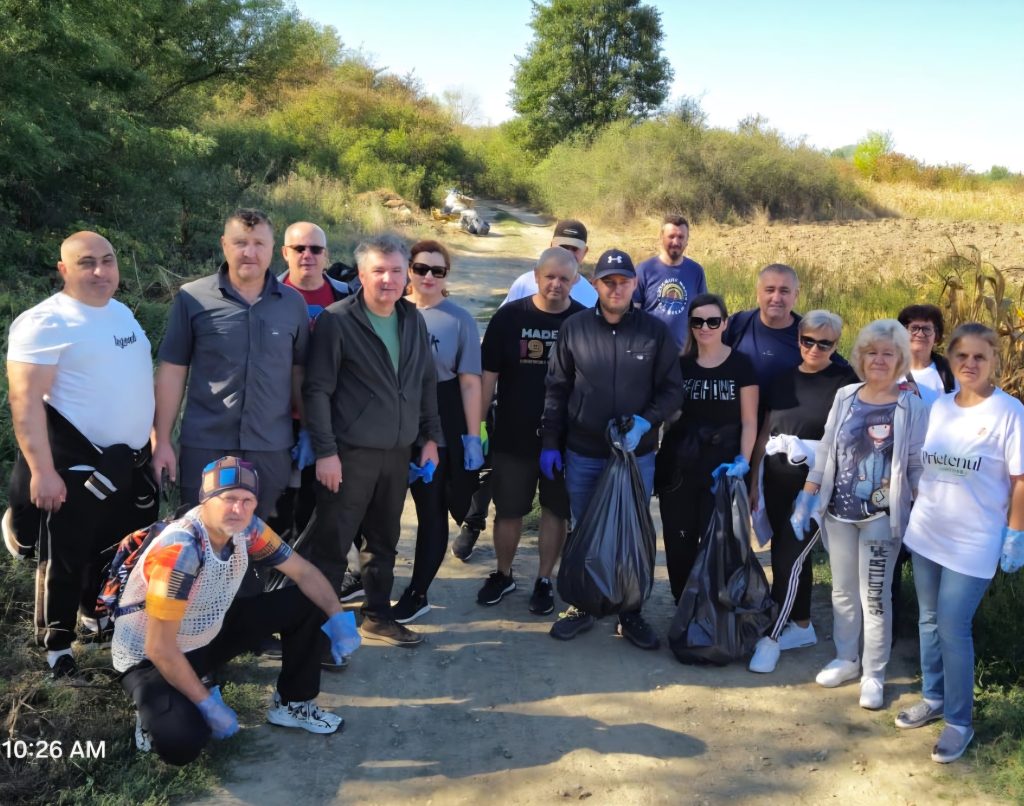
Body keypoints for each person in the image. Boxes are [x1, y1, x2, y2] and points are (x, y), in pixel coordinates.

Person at [113, 457, 351, 765]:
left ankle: (293, 704)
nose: (238, 509)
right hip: (150, 657)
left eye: (247, 500)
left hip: (204, 630)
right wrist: (207, 704)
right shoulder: (181, 550)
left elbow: (303, 573)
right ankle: (155, 713)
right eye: (228, 499)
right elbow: (159, 648)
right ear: (205, 500)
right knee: (182, 740)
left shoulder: (248, 528)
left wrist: (337, 617)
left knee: (309, 601)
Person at [5, 231, 157, 679]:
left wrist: (154, 440)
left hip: (125, 461)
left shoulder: (122, 313)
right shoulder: (45, 322)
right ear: (63, 269)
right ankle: (57, 646)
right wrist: (41, 471)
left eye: (108, 260)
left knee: (112, 547)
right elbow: (24, 401)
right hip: (73, 461)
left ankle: (96, 615)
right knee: (67, 556)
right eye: (87, 262)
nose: (100, 271)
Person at [303, 233, 442, 648]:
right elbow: (317, 390)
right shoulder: (337, 321)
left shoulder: (412, 318)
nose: (388, 279)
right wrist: (326, 452)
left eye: (396, 271)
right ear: (361, 275)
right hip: (349, 454)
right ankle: (315, 631)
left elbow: (425, 381)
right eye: (378, 270)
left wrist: (430, 437)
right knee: (332, 544)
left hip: (396, 454)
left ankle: (378, 616)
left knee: (383, 541)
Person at [541, 249, 683, 648]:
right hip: (584, 451)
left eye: (623, 281)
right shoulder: (574, 328)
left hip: (636, 455)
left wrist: (645, 422)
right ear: (595, 284)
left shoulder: (654, 332)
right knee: (585, 528)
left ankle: (629, 610)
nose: (616, 288)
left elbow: (672, 391)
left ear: (634, 284)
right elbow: (556, 388)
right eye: (608, 281)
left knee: (631, 531)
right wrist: (550, 442)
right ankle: (583, 604)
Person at [896, 323, 1024, 763]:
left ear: (994, 361)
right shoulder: (942, 406)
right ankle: (933, 697)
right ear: (950, 359)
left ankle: (959, 721)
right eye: (962, 356)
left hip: (974, 539)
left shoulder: (1009, 411)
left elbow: (1020, 480)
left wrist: (1016, 533)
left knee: (953, 626)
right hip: (929, 531)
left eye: (979, 357)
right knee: (928, 620)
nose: (970, 364)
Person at [795, 320, 929, 710]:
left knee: (875, 597)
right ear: (860, 356)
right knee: (842, 590)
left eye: (888, 353)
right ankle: (846, 658)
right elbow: (826, 449)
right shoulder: (846, 396)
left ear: (900, 359)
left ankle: (873, 673)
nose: (879, 360)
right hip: (839, 513)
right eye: (872, 352)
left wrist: (921, 508)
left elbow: (917, 463)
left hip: (881, 518)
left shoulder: (911, 405)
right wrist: (807, 495)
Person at [152, 209, 309, 518]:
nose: (250, 252)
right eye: (240, 243)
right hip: (205, 446)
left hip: (270, 448)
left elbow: (299, 373)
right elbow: (172, 371)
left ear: (273, 248)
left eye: (259, 243)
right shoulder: (192, 298)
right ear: (224, 244)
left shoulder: (293, 304)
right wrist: (162, 440)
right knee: (198, 535)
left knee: (260, 540)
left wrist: (309, 431)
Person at [747, 310, 858, 674]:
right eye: (808, 340)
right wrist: (753, 480)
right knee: (784, 552)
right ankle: (802, 625)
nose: (814, 348)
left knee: (788, 561)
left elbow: (847, 440)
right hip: (774, 479)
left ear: (836, 345)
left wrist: (820, 486)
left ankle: (771, 637)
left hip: (815, 484)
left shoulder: (846, 384)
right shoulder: (782, 379)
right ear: (798, 339)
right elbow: (765, 431)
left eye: (824, 344)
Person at [476, 247, 584, 615]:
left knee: (556, 511)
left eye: (564, 278)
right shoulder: (509, 318)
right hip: (513, 434)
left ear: (575, 281)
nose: (556, 284)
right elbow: (487, 378)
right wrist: (477, 429)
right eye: (549, 276)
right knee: (508, 510)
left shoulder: (582, 322)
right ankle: (503, 573)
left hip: (564, 440)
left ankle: (544, 580)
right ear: (536, 277)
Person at [392, 240, 484, 623]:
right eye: (420, 268)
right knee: (381, 510)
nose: (428, 276)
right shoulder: (389, 310)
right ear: (408, 270)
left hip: (441, 422)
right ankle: (368, 579)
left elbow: (469, 383)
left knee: (431, 510)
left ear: (446, 275)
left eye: (437, 270)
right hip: (390, 422)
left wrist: (472, 436)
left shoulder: (459, 320)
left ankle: (418, 592)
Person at [655, 293, 757, 602]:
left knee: (717, 542)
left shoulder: (741, 365)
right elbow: (667, 414)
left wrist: (744, 462)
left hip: (722, 467)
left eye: (713, 321)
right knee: (679, 540)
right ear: (690, 325)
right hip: (681, 465)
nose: (705, 327)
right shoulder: (680, 365)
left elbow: (749, 421)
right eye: (698, 321)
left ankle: (713, 607)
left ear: (724, 323)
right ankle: (684, 605)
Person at [271, 221, 351, 540]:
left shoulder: (346, 295)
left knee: (316, 505)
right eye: (299, 248)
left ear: (326, 255)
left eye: (316, 249)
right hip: (275, 418)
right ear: (284, 252)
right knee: (276, 507)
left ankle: (308, 565)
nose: (307, 255)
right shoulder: (267, 295)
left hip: (330, 418)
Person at [722, 264, 803, 396]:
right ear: (758, 294)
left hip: (787, 409)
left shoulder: (809, 335)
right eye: (770, 290)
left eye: (784, 291)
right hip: (739, 408)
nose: (776, 298)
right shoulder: (737, 324)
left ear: (796, 295)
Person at [633, 215, 708, 349]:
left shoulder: (696, 271)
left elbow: (702, 313)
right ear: (661, 237)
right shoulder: (644, 270)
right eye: (671, 236)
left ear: (687, 240)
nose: (676, 241)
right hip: (650, 353)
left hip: (684, 355)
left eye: (681, 237)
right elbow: (633, 315)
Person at [500, 219, 597, 307]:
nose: (568, 254)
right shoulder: (523, 284)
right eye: (563, 247)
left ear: (585, 252)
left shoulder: (591, 295)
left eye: (575, 249)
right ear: (551, 245)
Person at [898, 304, 957, 407]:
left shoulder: (950, 372)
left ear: (936, 335)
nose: (920, 334)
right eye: (914, 328)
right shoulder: (888, 370)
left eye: (927, 329)